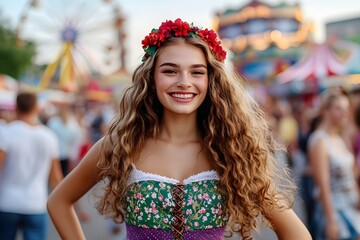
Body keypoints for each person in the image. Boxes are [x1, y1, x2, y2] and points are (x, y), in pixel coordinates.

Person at [47, 18, 311, 240]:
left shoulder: (232, 150)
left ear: (211, 81)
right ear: (151, 79)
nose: (184, 82)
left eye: (197, 72)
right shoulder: (120, 144)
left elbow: (298, 234)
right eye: (170, 71)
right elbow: (58, 202)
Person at [0, 92, 63, 240]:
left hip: (7, 203)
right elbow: (56, 178)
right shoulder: (49, 136)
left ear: (16, 107)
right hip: (36, 204)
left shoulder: (5, 133)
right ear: (36, 108)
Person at [308, 89, 360, 240]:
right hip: (334, 210)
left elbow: (351, 174)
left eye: (346, 108)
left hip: (351, 205)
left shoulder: (340, 137)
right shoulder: (319, 141)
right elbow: (323, 184)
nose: (344, 113)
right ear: (326, 110)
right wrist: (331, 220)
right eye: (339, 108)